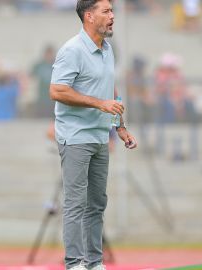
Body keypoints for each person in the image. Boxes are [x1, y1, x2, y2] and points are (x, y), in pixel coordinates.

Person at [49, 1, 137, 270]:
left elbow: (109, 88)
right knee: (76, 204)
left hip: (100, 136)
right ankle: (74, 264)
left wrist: (120, 127)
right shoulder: (72, 50)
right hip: (75, 137)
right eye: (106, 11)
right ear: (89, 16)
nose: (112, 16)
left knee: (97, 204)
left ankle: (95, 263)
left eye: (112, 11)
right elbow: (57, 90)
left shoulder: (108, 49)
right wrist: (99, 104)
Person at [31, 45, 56, 118]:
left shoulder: (57, 64)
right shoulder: (39, 65)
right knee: (41, 116)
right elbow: (32, 76)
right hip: (42, 95)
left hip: (53, 96)